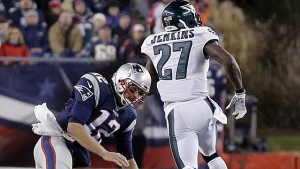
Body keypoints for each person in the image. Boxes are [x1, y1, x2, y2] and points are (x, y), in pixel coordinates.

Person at [141, 1, 247, 169]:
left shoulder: (152, 41)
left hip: (178, 111)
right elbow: (229, 61)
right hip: (203, 107)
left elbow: (148, 85)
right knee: (211, 155)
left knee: (188, 166)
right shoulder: (200, 34)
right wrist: (239, 93)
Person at [32, 63, 152, 169]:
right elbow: (73, 128)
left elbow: (128, 159)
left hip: (77, 155)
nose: (136, 95)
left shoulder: (129, 116)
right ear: (121, 81)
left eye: (140, 92)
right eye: (133, 89)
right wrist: (105, 153)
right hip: (58, 141)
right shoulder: (97, 86)